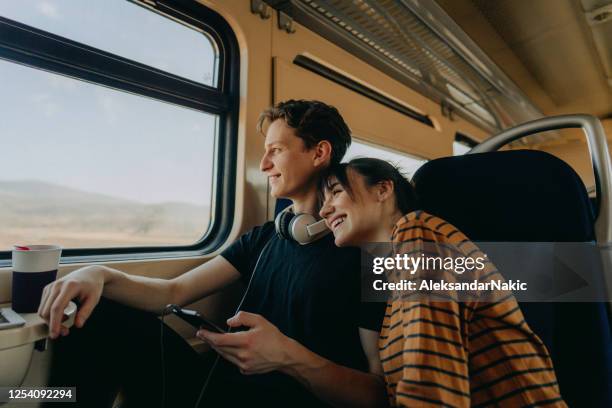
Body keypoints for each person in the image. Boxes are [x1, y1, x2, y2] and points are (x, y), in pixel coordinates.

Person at [39, 100, 388, 407]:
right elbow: (172, 293)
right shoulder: (265, 237)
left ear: (319, 153)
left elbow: (380, 394)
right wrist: (99, 273)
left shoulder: (368, 254)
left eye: (276, 150)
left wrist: (287, 356)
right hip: (217, 389)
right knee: (100, 312)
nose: (264, 164)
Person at [319, 157, 566, 407]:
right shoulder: (398, 270)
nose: (324, 210)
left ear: (383, 189)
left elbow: (430, 384)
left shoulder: (418, 234)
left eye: (336, 192)